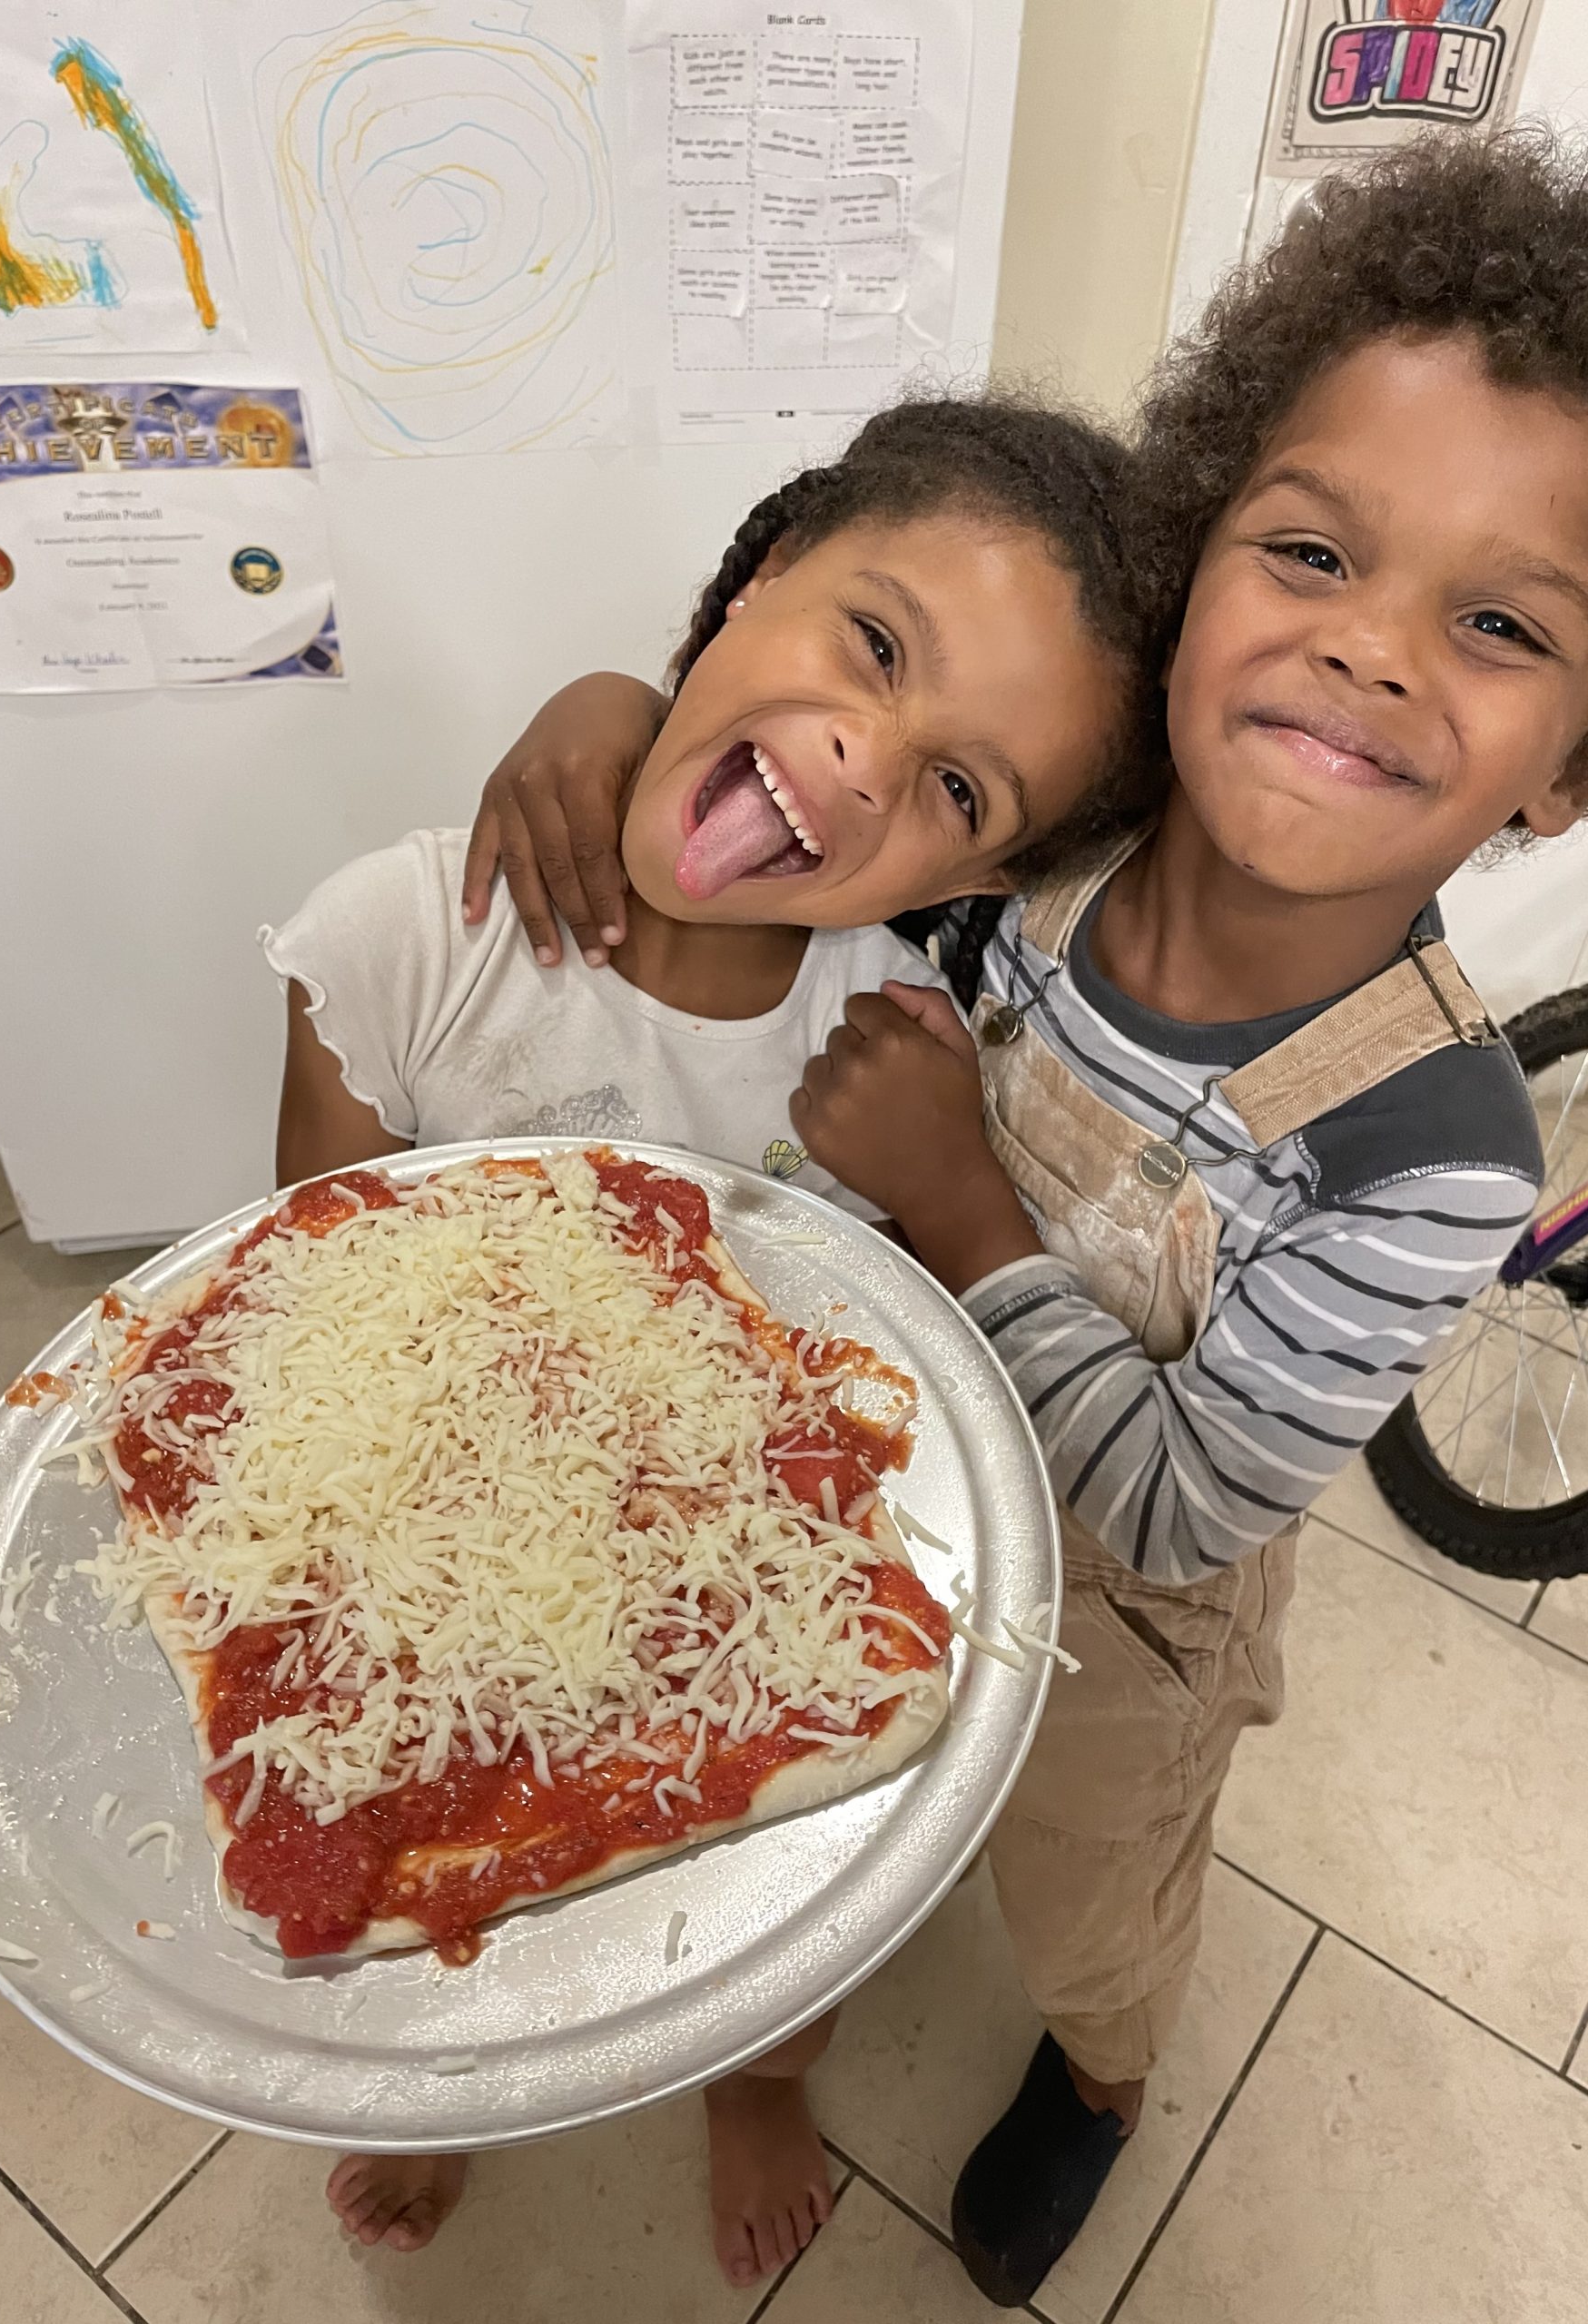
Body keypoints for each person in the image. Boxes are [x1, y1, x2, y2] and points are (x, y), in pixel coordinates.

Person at [461, 130, 1588, 2305]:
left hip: (1125, 1622)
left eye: (1498, 624)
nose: (1375, 652)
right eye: (1311, 549)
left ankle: (1106, 2081)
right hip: (885, 1475)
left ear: (1579, 756)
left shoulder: (1436, 1143)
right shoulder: (1057, 845)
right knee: (809, 1780)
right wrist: (617, 710)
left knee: (1086, 1885)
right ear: (1202, 567)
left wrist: (959, 1205)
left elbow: (1199, 1500)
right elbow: (822, 797)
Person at [263, 393, 1154, 2285]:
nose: (857, 753)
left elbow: (911, 1409)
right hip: (440, 1546)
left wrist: (939, 1174)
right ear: (752, 578)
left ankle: (759, 2074)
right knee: (428, 1886)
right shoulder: (414, 934)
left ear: (964, 880)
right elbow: (315, 1290)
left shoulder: (899, 1046)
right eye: (874, 644)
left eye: (959, 789)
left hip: (723, 1591)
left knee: (774, 1904)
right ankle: (451, 2097)